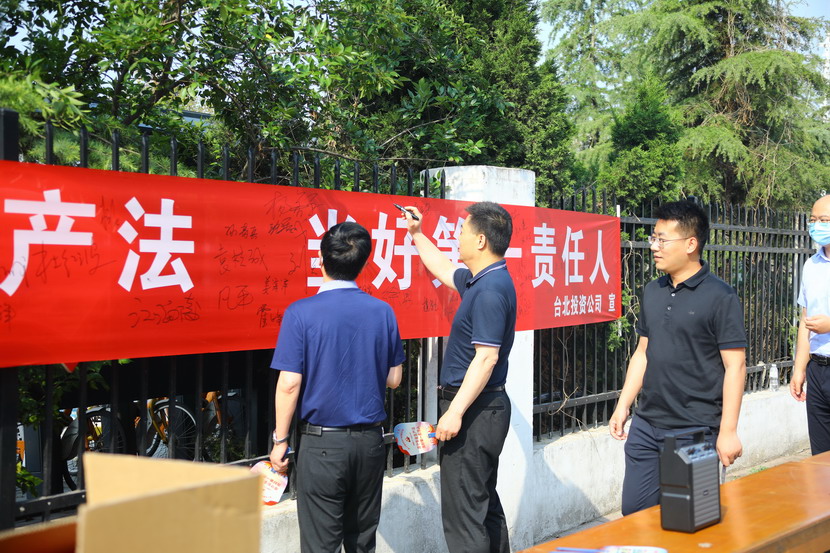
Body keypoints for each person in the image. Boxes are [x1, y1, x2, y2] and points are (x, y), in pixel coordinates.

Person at [269, 221, 404, 553]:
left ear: (320, 259)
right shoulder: (383, 311)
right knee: (361, 541)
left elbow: (289, 384)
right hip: (370, 442)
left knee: (321, 544)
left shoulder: (300, 313)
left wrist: (280, 441)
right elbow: (394, 379)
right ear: (364, 263)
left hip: (322, 445)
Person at [608, 200, 747, 516]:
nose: (654, 247)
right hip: (646, 426)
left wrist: (728, 430)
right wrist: (623, 404)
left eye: (662, 239)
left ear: (691, 244)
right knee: (635, 517)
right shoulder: (652, 290)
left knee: (689, 522)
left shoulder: (720, 296)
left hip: (695, 430)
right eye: (653, 238)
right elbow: (643, 352)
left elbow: (735, 366)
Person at [401, 201, 515, 553]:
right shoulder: (484, 280)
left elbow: (486, 358)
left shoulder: (490, 291)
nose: (457, 236)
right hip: (483, 408)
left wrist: (454, 411)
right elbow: (444, 269)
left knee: (464, 516)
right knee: (482, 504)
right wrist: (417, 233)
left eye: (463, 231)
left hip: (475, 411)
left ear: (481, 240)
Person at [790, 195, 830, 454]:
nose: (816, 225)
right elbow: (806, 321)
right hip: (817, 370)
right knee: (821, 457)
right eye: (813, 220)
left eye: (824, 220)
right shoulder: (811, 265)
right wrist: (799, 369)